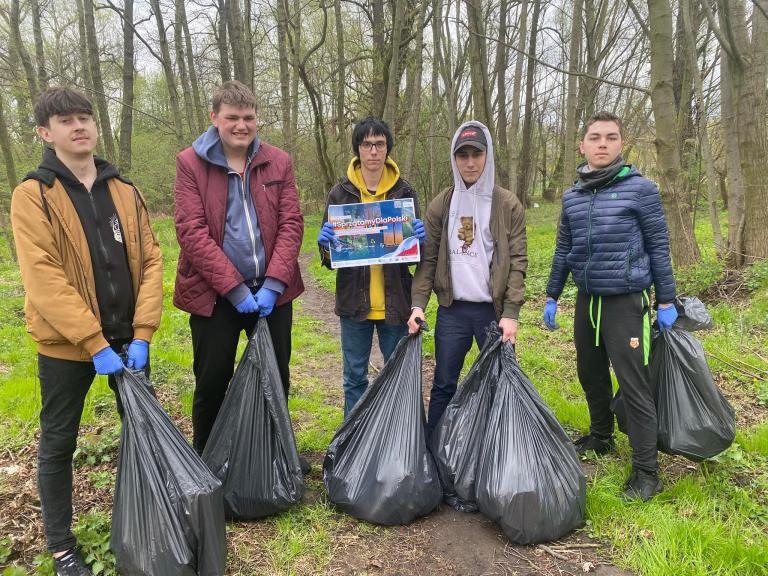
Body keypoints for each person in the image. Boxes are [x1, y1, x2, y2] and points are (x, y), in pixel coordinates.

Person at [10, 87, 163, 576]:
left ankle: (156, 518)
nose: (78, 127)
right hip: (69, 346)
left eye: (85, 117)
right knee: (58, 441)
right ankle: (61, 547)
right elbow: (44, 278)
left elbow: (153, 258)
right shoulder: (33, 195)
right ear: (44, 132)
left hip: (128, 338)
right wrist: (94, 343)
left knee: (146, 431)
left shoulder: (125, 189)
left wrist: (142, 333)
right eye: (65, 121)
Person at [543, 111, 678, 502]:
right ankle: (601, 437)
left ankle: (646, 471)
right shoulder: (573, 195)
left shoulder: (641, 190)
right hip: (587, 300)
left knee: (634, 385)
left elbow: (658, 247)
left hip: (625, 301)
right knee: (591, 374)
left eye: (611, 137)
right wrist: (552, 294)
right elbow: (563, 250)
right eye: (595, 137)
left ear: (621, 144)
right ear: (582, 145)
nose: (602, 144)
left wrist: (666, 299)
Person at [173, 81, 306, 468]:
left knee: (275, 377)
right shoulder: (190, 164)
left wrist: (274, 283)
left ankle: (274, 457)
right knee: (212, 380)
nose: (241, 125)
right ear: (214, 119)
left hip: (271, 294)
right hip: (214, 296)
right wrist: (233, 288)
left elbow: (291, 223)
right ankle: (207, 463)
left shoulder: (277, 161)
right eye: (232, 117)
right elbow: (191, 232)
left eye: (248, 117)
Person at [408, 121, 528, 437]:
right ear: (454, 158)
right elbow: (428, 261)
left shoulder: (507, 204)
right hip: (453, 311)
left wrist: (511, 314)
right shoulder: (442, 204)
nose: (470, 162)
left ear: (487, 156)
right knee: (444, 382)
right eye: (463, 155)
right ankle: (434, 449)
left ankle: (497, 451)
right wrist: (418, 305)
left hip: (493, 313)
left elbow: (517, 262)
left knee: (500, 383)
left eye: (477, 154)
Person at [317, 117, 426, 416]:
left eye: (379, 144)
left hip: (395, 305)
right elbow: (329, 261)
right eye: (367, 144)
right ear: (358, 149)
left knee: (397, 379)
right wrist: (325, 245)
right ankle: (354, 444)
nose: (374, 151)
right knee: (354, 379)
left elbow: (416, 258)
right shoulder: (340, 193)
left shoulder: (405, 193)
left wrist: (420, 240)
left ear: (388, 148)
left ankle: (397, 441)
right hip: (354, 306)